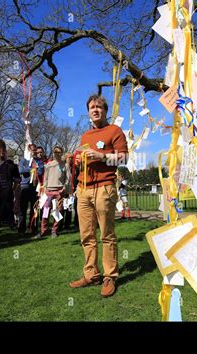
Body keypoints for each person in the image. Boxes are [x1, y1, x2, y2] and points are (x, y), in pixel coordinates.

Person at [68, 95, 128, 298]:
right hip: (83, 189)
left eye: (99, 107)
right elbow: (84, 159)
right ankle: (91, 274)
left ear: (105, 110)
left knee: (106, 234)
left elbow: (124, 158)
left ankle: (110, 276)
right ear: (88, 112)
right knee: (86, 235)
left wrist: (102, 156)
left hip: (104, 187)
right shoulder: (85, 136)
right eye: (92, 107)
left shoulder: (114, 131)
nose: (95, 110)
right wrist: (77, 161)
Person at [37, 145, 70, 238]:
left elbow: (68, 179)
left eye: (59, 152)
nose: (57, 153)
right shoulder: (49, 164)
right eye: (55, 152)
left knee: (57, 212)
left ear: (62, 153)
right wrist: (45, 189)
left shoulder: (65, 165)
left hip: (59, 192)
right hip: (49, 192)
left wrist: (64, 188)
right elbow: (45, 178)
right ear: (53, 153)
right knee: (45, 211)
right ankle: (43, 230)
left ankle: (54, 230)